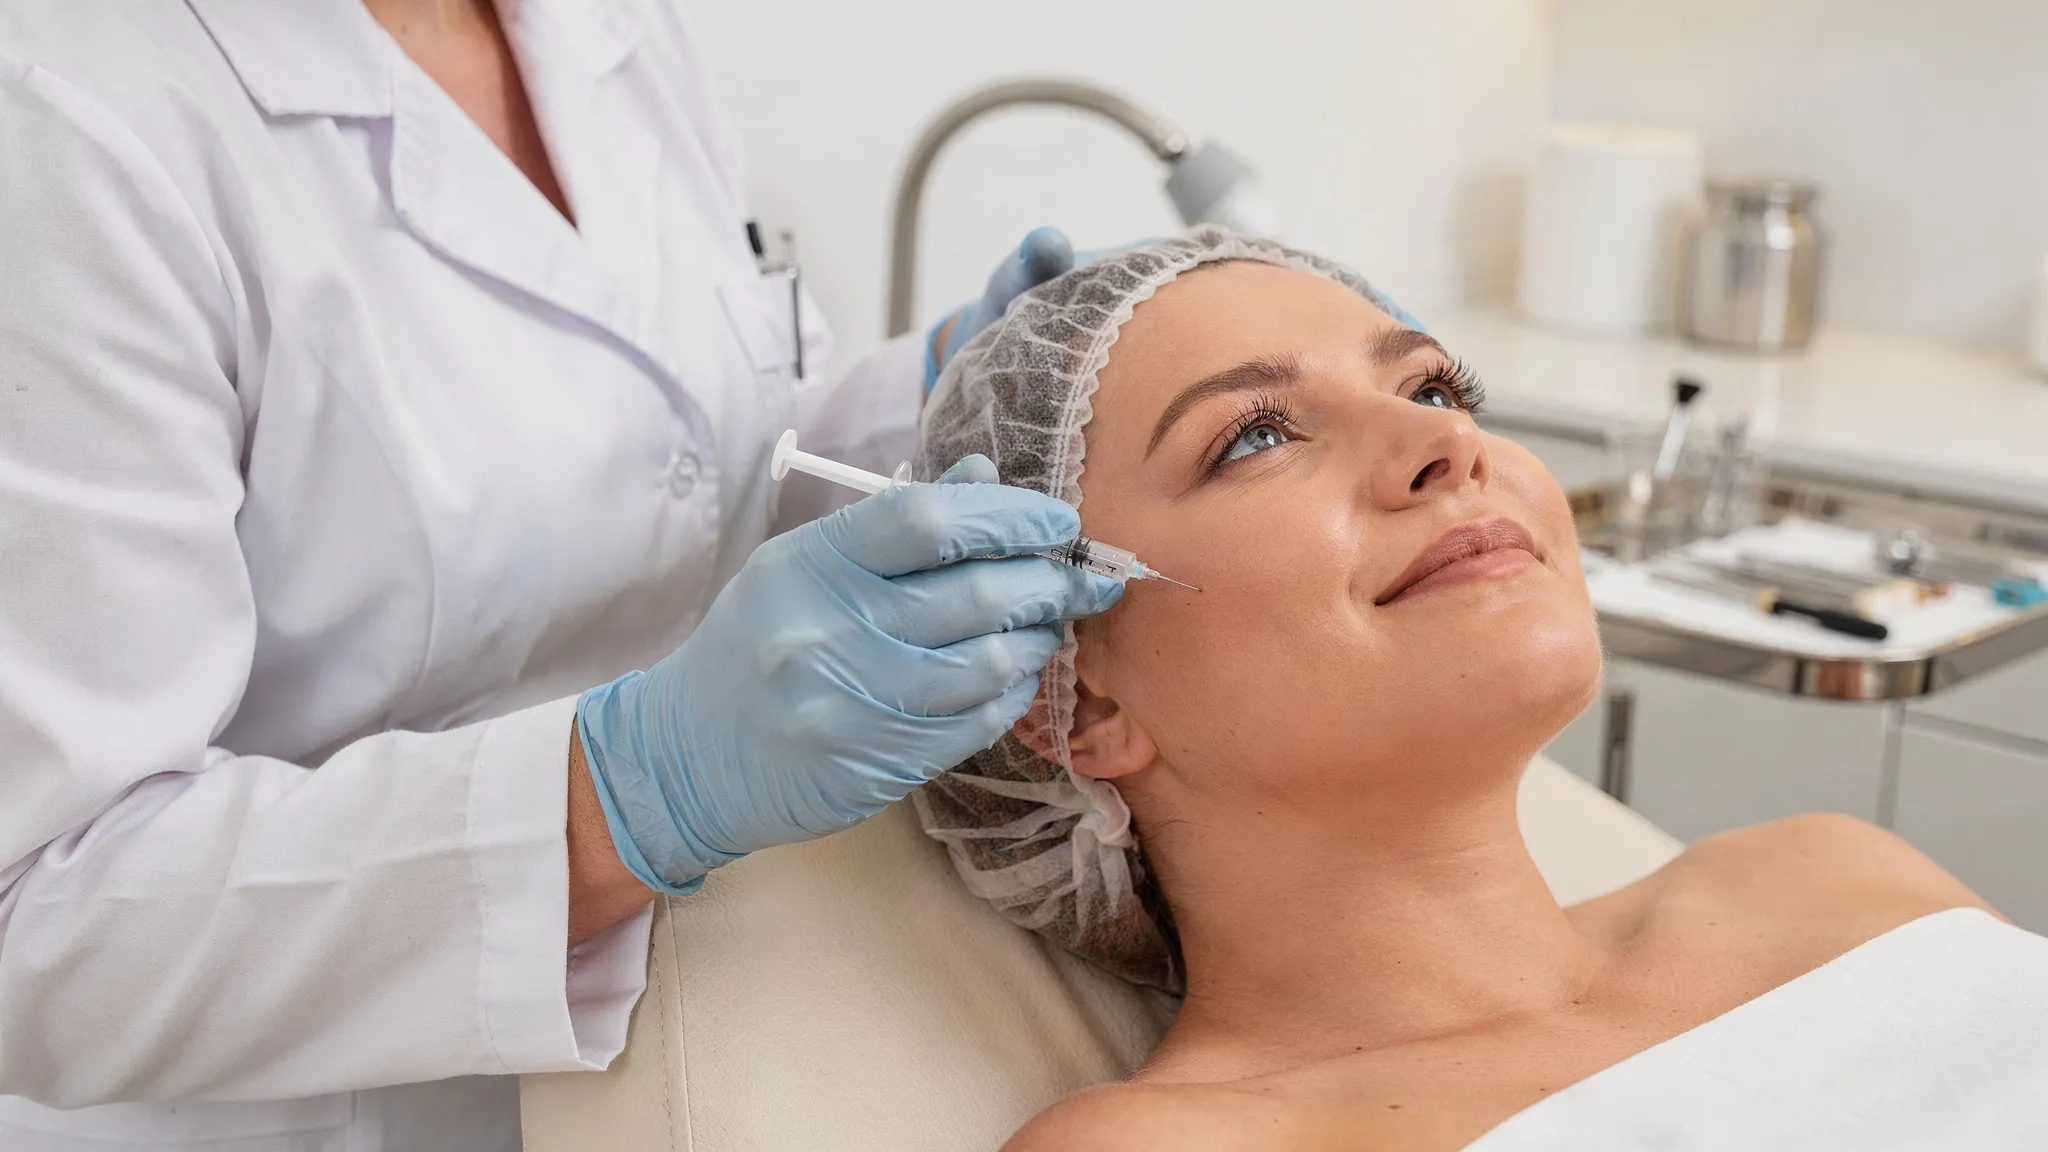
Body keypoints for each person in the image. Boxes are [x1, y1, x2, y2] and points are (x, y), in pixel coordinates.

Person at [0, 1, 1124, 1147]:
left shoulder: (608, 26)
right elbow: (32, 923)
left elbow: (686, 464)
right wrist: (623, 794)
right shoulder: (60, 122)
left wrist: (933, 414)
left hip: (703, 1032)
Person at [912, 230, 2048, 1150]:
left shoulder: (1829, 876)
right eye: (1253, 436)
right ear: (1076, 698)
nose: (1443, 441)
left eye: (1436, 384)